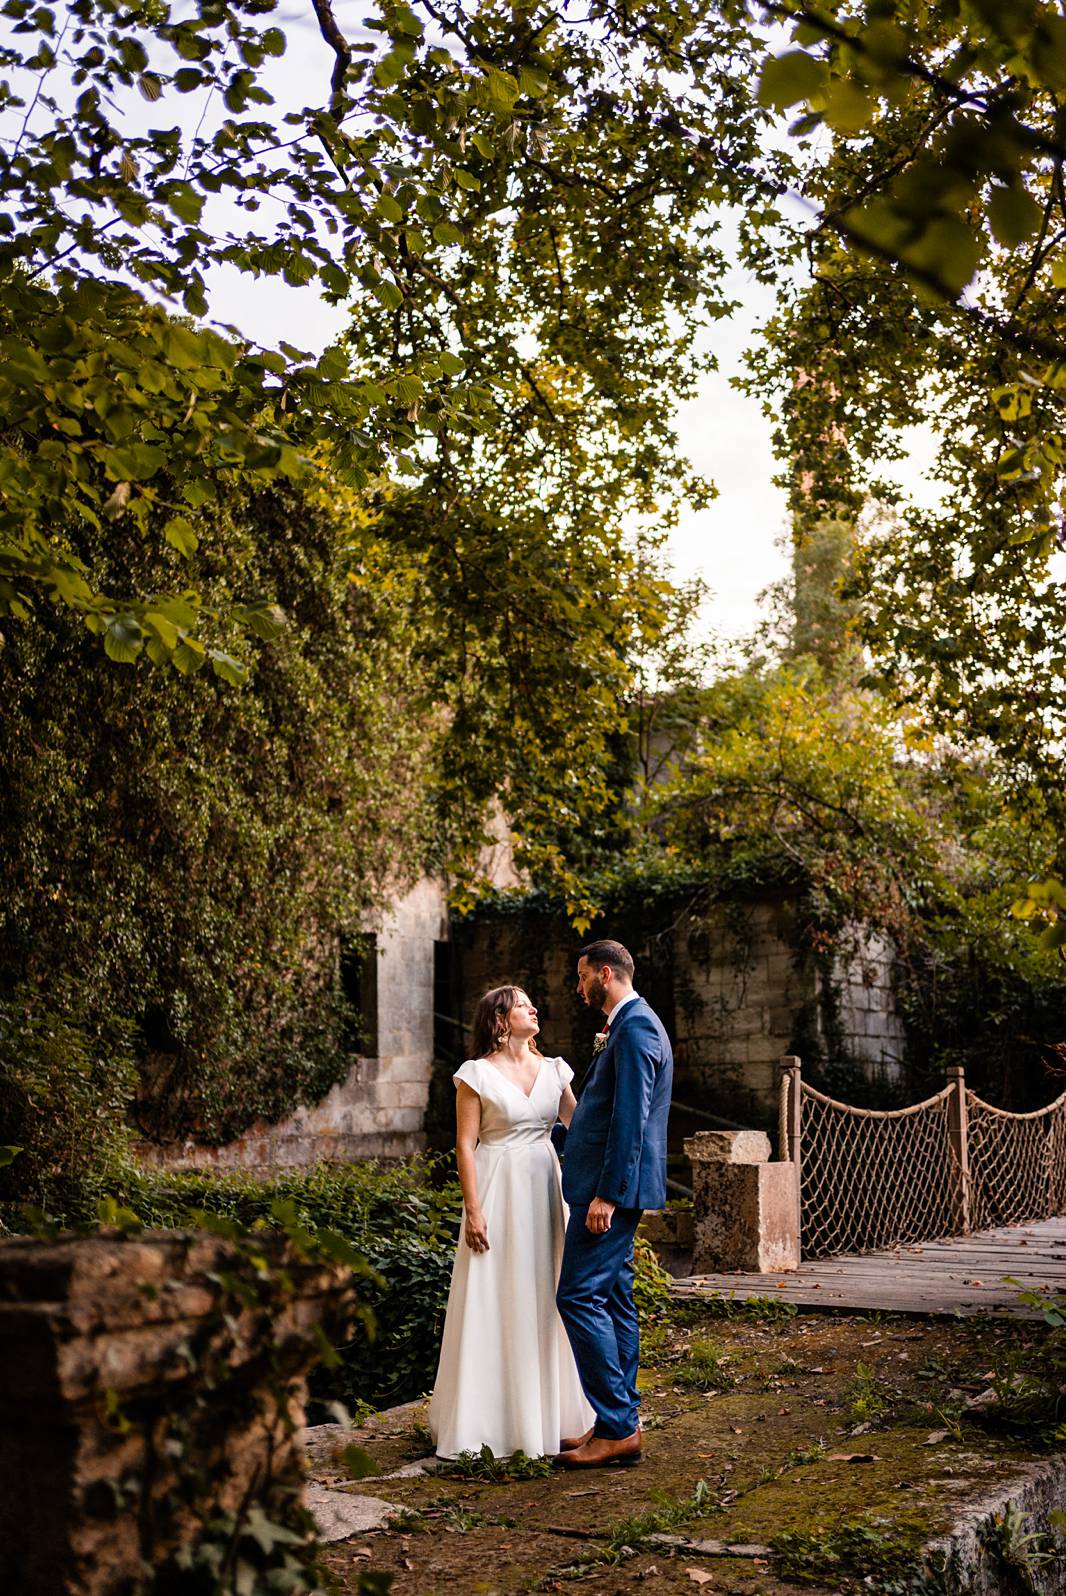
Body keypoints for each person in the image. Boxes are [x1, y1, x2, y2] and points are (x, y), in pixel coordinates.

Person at [428, 984, 595, 1460]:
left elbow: (579, 1125)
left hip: (545, 1189)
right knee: (497, 1292)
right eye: (523, 1004)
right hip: (498, 1187)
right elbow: (464, 1144)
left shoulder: (555, 1069)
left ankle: (556, 1416)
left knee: (547, 1290)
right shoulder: (475, 1075)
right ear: (500, 1021)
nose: (534, 1008)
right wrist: (474, 1209)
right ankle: (493, 1421)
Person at [555, 939, 673, 1469]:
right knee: (616, 1297)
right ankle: (618, 1418)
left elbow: (631, 1119)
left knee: (577, 1297)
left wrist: (606, 1193)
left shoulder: (636, 1027)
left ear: (605, 973)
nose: (578, 989)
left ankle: (619, 1425)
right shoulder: (624, 1026)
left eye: (582, 978)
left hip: (610, 1192)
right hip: (607, 1186)